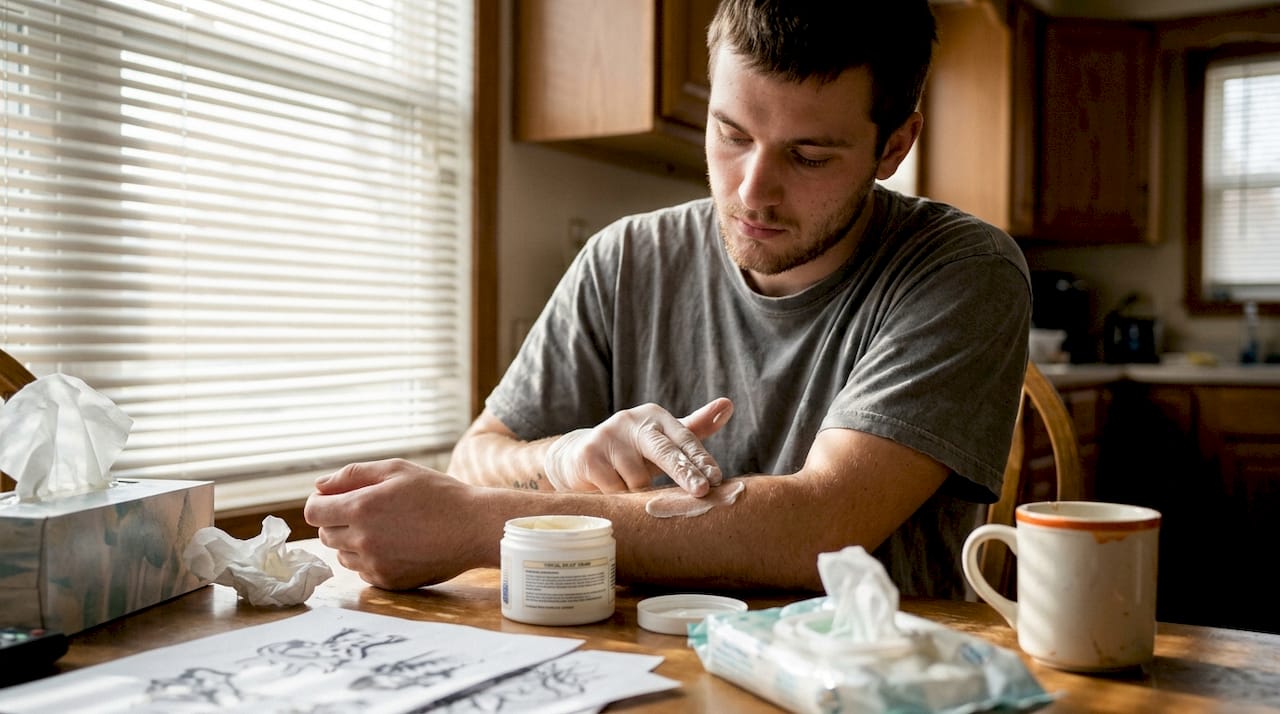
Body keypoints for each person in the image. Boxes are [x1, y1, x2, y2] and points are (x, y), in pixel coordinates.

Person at [305, 0, 1031, 599]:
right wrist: (564, 460)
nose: (752, 192)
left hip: (866, 681)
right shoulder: (624, 259)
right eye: (730, 133)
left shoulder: (963, 269)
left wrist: (475, 527)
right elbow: (478, 457)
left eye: (808, 156)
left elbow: (819, 528)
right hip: (627, 658)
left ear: (894, 148)